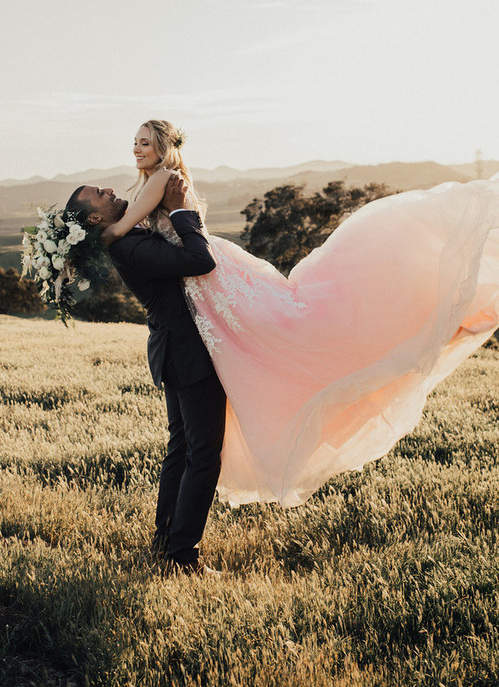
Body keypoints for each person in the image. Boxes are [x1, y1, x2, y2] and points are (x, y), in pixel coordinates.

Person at [84, 120, 499, 510]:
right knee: (279, 332)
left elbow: (130, 230)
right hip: (201, 306)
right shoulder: (149, 191)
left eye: (144, 142)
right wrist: (98, 237)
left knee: (289, 322)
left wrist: (104, 235)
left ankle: (172, 546)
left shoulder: (161, 181)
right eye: (135, 142)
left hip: (212, 286)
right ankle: (176, 549)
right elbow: (157, 239)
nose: (136, 149)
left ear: (163, 147)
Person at [66, 173, 226, 576]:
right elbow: (200, 261)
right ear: (93, 220)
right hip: (188, 353)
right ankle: (182, 557)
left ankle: (166, 541)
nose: (108, 190)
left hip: (176, 351)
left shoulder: (124, 235)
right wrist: (180, 211)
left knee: (182, 449)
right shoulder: (130, 246)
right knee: (202, 454)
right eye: (99, 195)